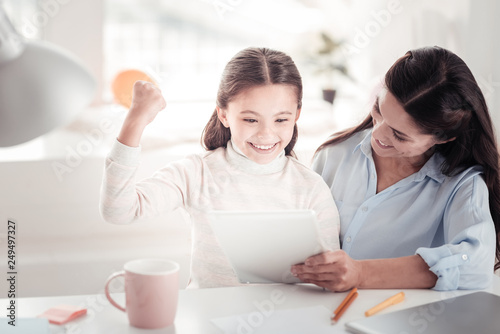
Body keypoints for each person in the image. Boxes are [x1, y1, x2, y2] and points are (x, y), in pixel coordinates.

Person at [99, 47, 340, 289]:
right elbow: (118, 211)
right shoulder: (196, 173)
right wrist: (136, 119)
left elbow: (329, 279)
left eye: (281, 120)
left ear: (297, 115)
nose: (266, 134)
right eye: (250, 119)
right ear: (223, 114)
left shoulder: (311, 188)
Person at [291, 46, 500, 292]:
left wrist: (361, 274)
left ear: (443, 138)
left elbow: (475, 263)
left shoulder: (461, 184)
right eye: (379, 111)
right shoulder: (335, 154)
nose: (377, 134)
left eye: (399, 135)